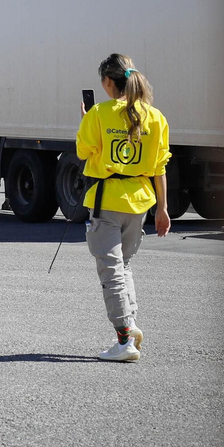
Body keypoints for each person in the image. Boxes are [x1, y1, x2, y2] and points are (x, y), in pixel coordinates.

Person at [77, 53, 171, 363]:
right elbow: (160, 167)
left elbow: (83, 150)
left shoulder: (99, 113)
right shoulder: (155, 117)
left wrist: (85, 119)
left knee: (111, 272)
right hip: (140, 202)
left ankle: (124, 339)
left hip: (107, 202)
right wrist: (163, 209)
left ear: (107, 82)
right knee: (123, 266)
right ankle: (130, 325)